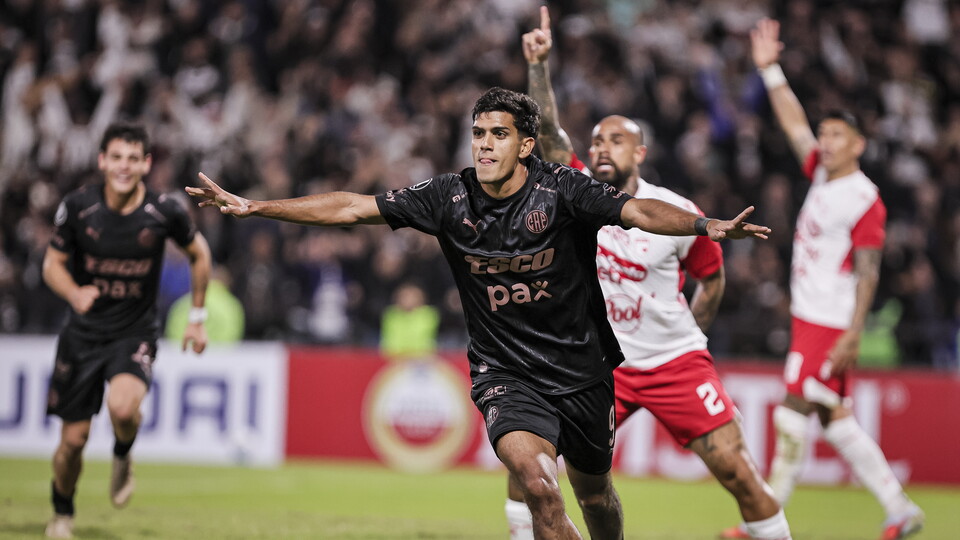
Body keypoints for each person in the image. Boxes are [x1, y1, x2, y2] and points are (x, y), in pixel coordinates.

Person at [188, 86, 771, 539]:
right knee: (541, 486)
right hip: (507, 374)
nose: (485, 144)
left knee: (595, 498)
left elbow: (640, 213)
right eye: (477, 134)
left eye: (498, 133)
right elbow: (351, 208)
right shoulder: (448, 196)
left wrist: (704, 225)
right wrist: (255, 206)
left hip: (583, 370)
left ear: (525, 144)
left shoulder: (563, 191)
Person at [502, 9, 791, 540]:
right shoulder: (579, 191)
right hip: (599, 366)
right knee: (530, 459)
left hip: (671, 362)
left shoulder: (674, 210)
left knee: (738, 472)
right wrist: (539, 66)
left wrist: (693, 337)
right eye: (595, 141)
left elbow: (713, 277)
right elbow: (544, 130)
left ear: (639, 153)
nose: (600, 149)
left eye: (614, 141)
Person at [720, 19, 925, 540]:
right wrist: (770, 72)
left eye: (837, 135)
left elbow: (869, 268)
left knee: (792, 413)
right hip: (812, 314)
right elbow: (793, 125)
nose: (826, 141)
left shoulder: (864, 198)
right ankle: (900, 510)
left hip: (830, 320)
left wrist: (855, 329)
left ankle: (763, 520)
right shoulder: (820, 173)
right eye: (826, 133)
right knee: (835, 419)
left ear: (858, 144)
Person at [42, 123, 212, 539]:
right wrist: (73, 292)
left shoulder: (164, 211)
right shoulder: (78, 207)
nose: (124, 166)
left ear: (146, 164)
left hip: (133, 332)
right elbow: (51, 265)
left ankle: (122, 453)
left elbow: (200, 253)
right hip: (82, 334)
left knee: (122, 410)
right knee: (73, 442)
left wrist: (197, 316)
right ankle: (62, 513)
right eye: (116, 157)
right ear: (102, 160)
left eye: (133, 158)